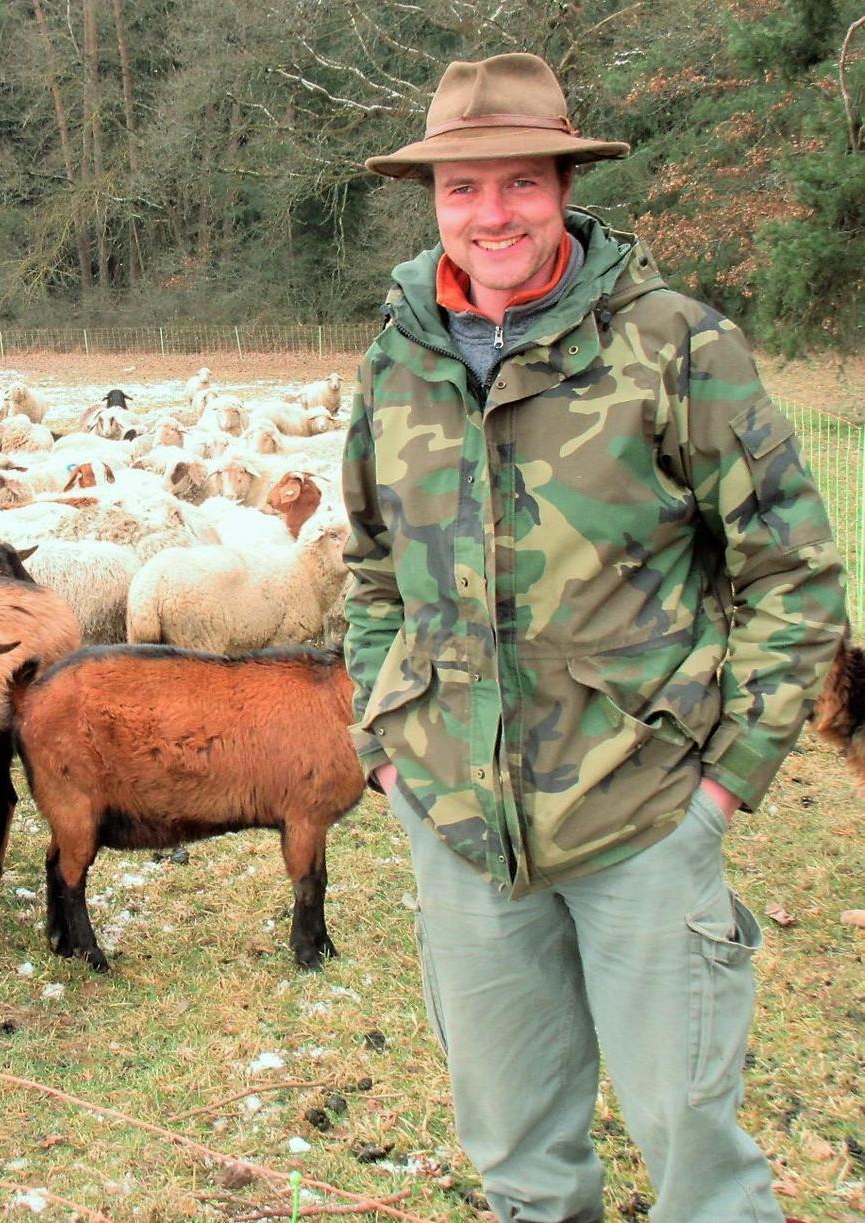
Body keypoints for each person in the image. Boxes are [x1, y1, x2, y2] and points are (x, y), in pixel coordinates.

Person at [341, 52, 845, 1222]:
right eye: (462, 189)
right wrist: (388, 742)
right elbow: (369, 572)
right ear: (432, 200)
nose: (492, 214)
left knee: (693, 1151)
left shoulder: (674, 344)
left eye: (519, 182)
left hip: (643, 814)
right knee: (516, 1152)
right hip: (460, 824)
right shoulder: (396, 357)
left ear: (566, 183)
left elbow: (793, 571)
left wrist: (726, 780)